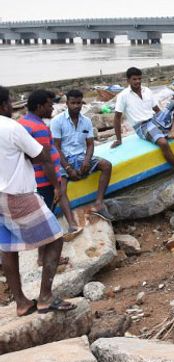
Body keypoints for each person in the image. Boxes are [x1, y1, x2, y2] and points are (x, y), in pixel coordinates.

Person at [0, 85, 76, 316]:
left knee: (8, 248)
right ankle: (45, 297)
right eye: (10, 101)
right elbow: (41, 155)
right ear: (4, 104)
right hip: (18, 194)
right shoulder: (12, 127)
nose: (13, 105)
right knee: (55, 239)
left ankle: (22, 303)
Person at [18, 90, 82, 241]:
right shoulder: (38, 128)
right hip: (44, 180)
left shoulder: (24, 122)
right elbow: (45, 161)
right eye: (49, 105)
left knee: (47, 212)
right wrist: (56, 186)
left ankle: (71, 224)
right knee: (46, 217)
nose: (52, 108)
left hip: (34, 178)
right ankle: (45, 254)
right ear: (39, 107)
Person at [112, 67, 174, 184]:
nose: (137, 81)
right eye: (134, 79)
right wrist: (118, 139)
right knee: (163, 143)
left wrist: (165, 121)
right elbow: (117, 118)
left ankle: (172, 131)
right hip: (142, 126)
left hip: (155, 119)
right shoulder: (123, 96)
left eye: (139, 79)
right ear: (128, 81)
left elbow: (156, 109)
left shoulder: (147, 90)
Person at [51, 89, 114, 220]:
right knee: (61, 189)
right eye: (73, 103)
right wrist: (68, 168)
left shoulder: (86, 121)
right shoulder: (57, 121)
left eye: (78, 103)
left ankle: (99, 203)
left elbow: (90, 144)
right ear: (67, 103)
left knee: (106, 165)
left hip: (80, 157)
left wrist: (86, 160)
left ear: (82, 103)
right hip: (63, 159)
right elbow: (56, 148)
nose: (76, 106)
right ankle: (71, 223)